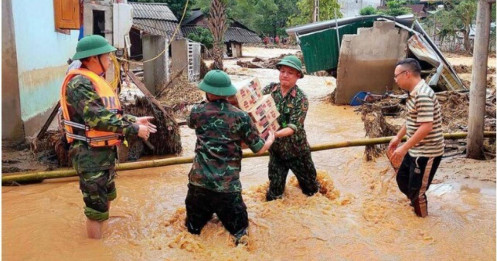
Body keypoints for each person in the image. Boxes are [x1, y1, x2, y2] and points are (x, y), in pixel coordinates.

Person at [60, 35, 156, 239]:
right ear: (94, 58)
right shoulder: (79, 84)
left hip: (104, 154)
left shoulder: (95, 81)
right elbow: (97, 118)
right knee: (96, 210)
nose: (110, 60)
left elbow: (110, 114)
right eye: (107, 56)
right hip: (90, 156)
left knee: (106, 197)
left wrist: (134, 120)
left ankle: (103, 236)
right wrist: (133, 129)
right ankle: (94, 249)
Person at [185, 70, 275, 245]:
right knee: (241, 234)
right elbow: (258, 148)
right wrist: (270, 139)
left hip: (198, 185)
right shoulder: (241, 116)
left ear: (207, 91)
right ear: (228, 92)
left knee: (192, 232)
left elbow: (193, 125)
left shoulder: (196, 111)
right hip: (227, 188)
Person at [388, 58, 444, 218]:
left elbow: (426, 126)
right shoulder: (413, 94)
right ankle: (414, 204)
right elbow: (412, 119)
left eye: (396, 76)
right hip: (415, 148)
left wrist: (403, 148)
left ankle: (423, 224)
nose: (395, 79)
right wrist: (398, 138)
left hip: (427, 151)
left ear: (407, 74)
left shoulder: (423, 95)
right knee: (402, 179)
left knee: (418, 191)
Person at [262, 55, 320, 201]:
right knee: (273, 196)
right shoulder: (270, 89)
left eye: (290, 72)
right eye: (282, 71)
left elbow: (293, 127)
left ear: (298, 76)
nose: (285, 75)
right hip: (276, 153)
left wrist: (273, 135)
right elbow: (253, 105)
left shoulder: (301, 99)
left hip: (297, 152)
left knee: (312, 192)